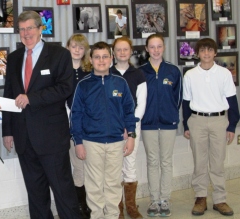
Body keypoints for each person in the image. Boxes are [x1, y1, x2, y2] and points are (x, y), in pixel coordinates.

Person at [2, 11, 80, 219]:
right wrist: (7, 131)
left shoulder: (59, 54)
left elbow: (65, 88)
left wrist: (32, 98)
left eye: (30, 28)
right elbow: (9, 94)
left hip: (52, 138)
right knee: (35, 194)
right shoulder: (14, 58)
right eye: (22, 29)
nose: (26, 33)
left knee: (63, 191)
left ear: (40, 28)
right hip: (24, 138)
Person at [70, 41, 136, 219]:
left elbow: (130, 111)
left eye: (105, 56)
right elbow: (75, 115)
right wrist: (78, 142)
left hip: (116, 142)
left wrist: (131, 135)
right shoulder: (83, 85)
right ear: (90, 60)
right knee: (94, 186)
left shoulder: (120, 83)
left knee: (113, 185)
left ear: (111, 58)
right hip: (92, 143)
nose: (101, 60)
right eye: (97, 57)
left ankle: (113, 216)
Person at [183, 38, 239, 216]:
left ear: (215, 53)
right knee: (199, 161)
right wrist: (186, 125)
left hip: (219, 121)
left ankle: (220, 199)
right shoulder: (190, 75)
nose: (206, 54)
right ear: (197, 53)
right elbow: (185, 103)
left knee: (217, 162)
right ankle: (200, 197)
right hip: (197, 121)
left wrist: (232, 127)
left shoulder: (224, 74)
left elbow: (233, 102)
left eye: (209, 50)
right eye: (202, 50)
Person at [139, 34, 183, 217]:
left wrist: (170, 114)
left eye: (159, 46)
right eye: (152, 47)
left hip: (168, 123)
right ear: (147, 49)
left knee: (166, 161)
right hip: (148, 123)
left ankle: (164, 199)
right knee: (152, 161)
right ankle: (154, 199)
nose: (156, 50)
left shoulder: (173, 71)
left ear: (163, 47)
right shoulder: (141, 71)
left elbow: (178, 98)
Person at [111, 37, 147, 219]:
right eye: (118, 49)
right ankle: (117, 210)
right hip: (112, 128)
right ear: (114, 52)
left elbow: (141, 104)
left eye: (125, 49)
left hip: (133, 126)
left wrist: (130, 125)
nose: (122, 53)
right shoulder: (107, 72)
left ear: (130, 51)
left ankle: (131, 207)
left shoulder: (138, 74)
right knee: (115, 168)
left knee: (130, 165)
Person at [65, 33, 92, 218]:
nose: (76, 50)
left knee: (83, 165)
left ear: (85, 51)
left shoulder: (89, 73)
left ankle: (84, 204)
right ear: (68, 47)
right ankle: (75, 205)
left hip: (84, 125)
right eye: (73, 46)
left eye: (80, 47)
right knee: (71, 166)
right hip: (62, 124)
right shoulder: (60, 70)